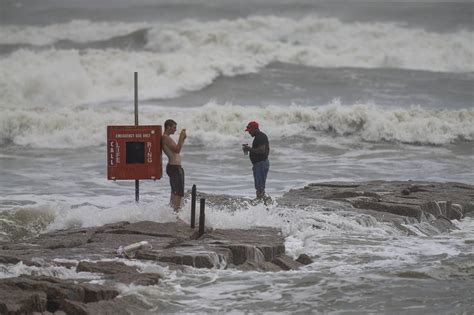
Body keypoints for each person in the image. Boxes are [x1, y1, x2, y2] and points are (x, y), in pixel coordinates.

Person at [162, 119, 187, 211]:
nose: (175, 130)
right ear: (168, 127)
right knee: (178, 192)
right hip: (174, 167)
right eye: (174, 127)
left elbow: (176, 150)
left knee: (175, 191)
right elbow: (177, 149)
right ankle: (176, 213)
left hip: (174, 167)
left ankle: (172, 212)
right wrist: (181, 137)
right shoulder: (165, 137)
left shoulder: (166, 137)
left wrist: (182, 139)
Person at [242, 121, 270, 201]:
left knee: (260, 186)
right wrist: (249, 149)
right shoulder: (259, 137)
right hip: (259, 164)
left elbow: (261, 150)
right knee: (259, 186)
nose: (249, 132)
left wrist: (249, 149)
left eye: (250, 130)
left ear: (254, 129)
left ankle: (261, 201)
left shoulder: (261, 137)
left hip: (261, 164)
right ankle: (261, 201)